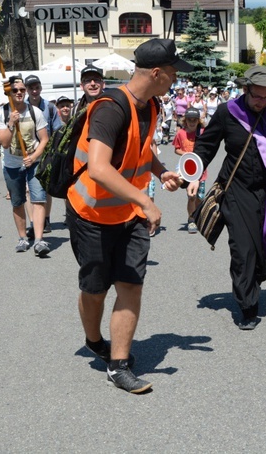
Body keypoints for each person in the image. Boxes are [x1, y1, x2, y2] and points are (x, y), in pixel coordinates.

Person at [66, 38, 189, 393]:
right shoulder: (109, 108)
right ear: (155, 73)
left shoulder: (150, 106)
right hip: (90, 215)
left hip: (129, 214)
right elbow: (99, 169)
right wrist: (147, 202)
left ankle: (118, 365)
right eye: (172, 73)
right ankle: (93, 340)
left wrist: (161, 171)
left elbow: (139, 147)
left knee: (131, 285)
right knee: (95, 290)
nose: (175, 79)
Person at [192, 66, 266, 330]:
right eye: (257, 97)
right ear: (246, 90)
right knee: (243, 249)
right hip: (237, 190)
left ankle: (257, 278)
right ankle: (247, 306)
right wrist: (195, 174)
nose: (262, 102)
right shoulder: (227, 112)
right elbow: (205, 146)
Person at [0, 75, 50, 256]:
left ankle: (40, 240)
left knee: (38, 199)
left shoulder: (35, 112)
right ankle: (22, 238)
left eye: (22, 90)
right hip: (12, 165)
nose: (19, 93)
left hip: (33, 163)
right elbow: (4, 143)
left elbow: (44, 140)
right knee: (17, 202)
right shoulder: (1, 113)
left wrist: (34, 157)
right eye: (15, 90)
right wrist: (11, 123)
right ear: (8, 92)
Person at [24, 74, 62, 235]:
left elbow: (57, 130)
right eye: (31, 88)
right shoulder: (21, 107)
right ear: (26, 89)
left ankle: (45, 219)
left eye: (36, 87)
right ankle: (33, 222)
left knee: (45, 188)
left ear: (40, 88)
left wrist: (55, 152)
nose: (34, 91)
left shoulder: (50, 107)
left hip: (46, 153)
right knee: (27, 189)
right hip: (27, 153)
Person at [173, 107, 206, 234]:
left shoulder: (202, 132)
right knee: (191, 196)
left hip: (201, 170)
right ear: (185, 120)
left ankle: (198, 216)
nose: (192, 122)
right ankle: (191, 219)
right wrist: (186, 154)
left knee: (200, 197)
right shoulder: (181, 133)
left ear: (198, 120)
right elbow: (176, 149)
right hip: (187, 170)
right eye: (189, 120)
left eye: (194, 120)